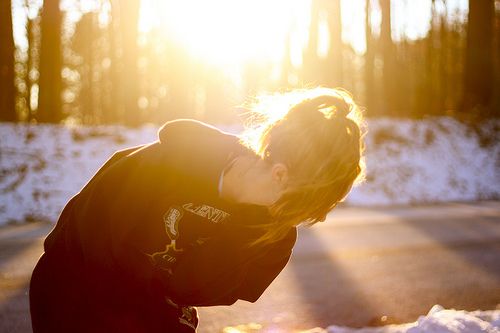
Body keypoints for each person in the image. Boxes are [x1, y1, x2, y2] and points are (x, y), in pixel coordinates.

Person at [29, 87, 365, 332]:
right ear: (280, 174)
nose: (290, 223)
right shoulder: (164, 164)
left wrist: (242, 233)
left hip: (148, 312)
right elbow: (83, 244)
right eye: (296, 208)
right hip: (74, 291)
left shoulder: (271, 238)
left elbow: (194, 290)